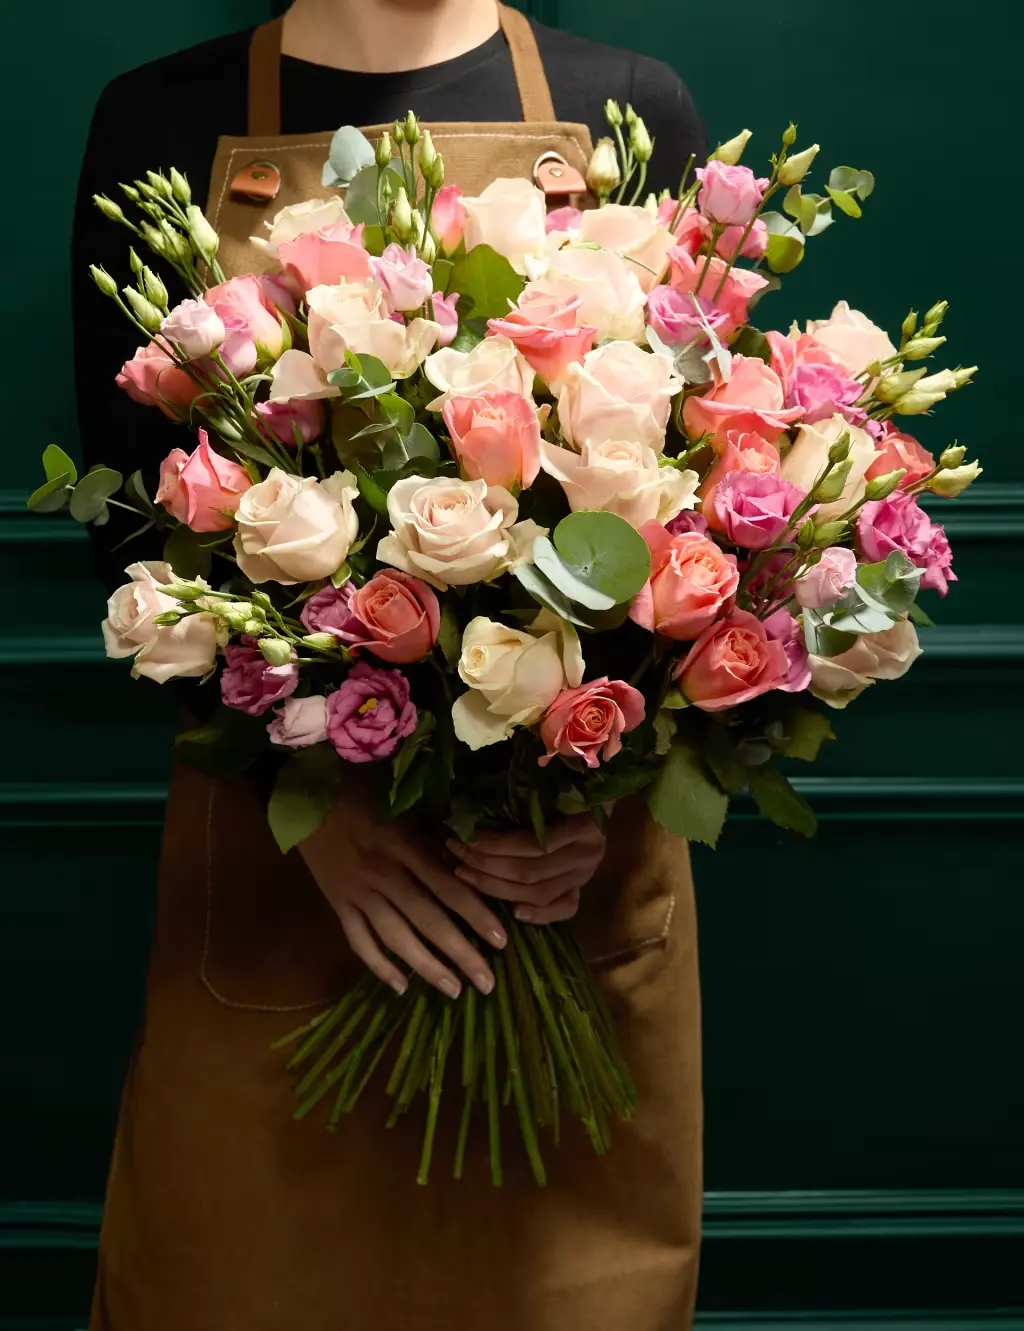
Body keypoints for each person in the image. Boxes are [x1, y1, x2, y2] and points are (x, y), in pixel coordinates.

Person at [72, 3, 707, 1328]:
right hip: (279, 866)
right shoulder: (157, 121)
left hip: (556, 891)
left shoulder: (629, 102)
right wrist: (318, 823)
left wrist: (584, 808)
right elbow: (136, 533)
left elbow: (688, 508)